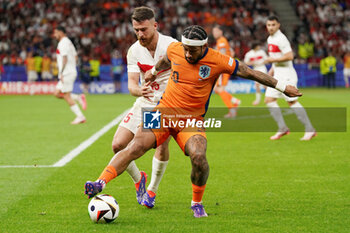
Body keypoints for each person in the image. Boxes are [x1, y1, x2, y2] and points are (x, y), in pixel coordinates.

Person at [84, 25, 302, 218]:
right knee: (135, 146)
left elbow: (250, 72)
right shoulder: (176, 48)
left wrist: (283, 87)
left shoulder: (218, 60)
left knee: (199, 155)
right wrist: (152, 71)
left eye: (193, 50)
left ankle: (196, 203)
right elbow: (165, 59)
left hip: (191, 119)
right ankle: (99, 183)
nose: (187, 53)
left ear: (204, 46)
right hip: (162, 111)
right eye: (185, 48)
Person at [95, 6, 176, 209]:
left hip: (165, 106)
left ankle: (152, 191)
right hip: (144, 102)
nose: (140, 34)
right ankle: (139, 179)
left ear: (155, 25)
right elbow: (132, 85)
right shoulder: (134, 51)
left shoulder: (172, 46)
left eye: (144, 29)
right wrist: (140, 91)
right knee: (118, 145)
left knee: (161, 145)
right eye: (136, 30)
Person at [264, 16, 316, 141]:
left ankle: (310, 129)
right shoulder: (270, 39)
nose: (271, 27)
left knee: (291, 102)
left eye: (273, 25)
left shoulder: (281, 39)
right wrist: (271, 70)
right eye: (269, 25)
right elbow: (276, 58)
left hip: (287, 74)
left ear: (278, 25)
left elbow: (290, 56)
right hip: (277, 73)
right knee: (269, 99)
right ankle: (282, 128)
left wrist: (272, 60)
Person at [53, 26, 87, 124]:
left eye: (56, 33)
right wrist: (72, 67)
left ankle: (80, 117)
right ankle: (78, 97)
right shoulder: (69, 42)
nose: (54, 35)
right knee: (56, 93)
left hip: (66, 73)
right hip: (70, 71)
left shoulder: (62, 43)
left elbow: (64, 58)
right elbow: (75, 57)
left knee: (66, 96)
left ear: (61, 32)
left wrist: (62, 72)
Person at [212, 25, 241, 118]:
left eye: (216, 31)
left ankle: (232, 110)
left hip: (222, 68)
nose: (214, 33)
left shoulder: (221, 42)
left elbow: (223, 55)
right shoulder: (222, 41)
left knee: (220, 89)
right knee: (217, 89)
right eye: (213, 31)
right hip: (225, 68)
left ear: (221, 32)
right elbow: (231, 52)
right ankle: (234, 101)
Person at [244, 41, 268, 105]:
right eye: (258, 45)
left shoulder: (262, 52)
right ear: (255, 46)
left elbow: (266, 60)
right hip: (255, 69)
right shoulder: (249, 54)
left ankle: (268, 98)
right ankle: (258, 100)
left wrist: (261, 62)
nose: (259, 47)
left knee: (265, 84)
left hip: (262, 68)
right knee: (257, 85)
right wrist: (253, 63)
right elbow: (246, 62)